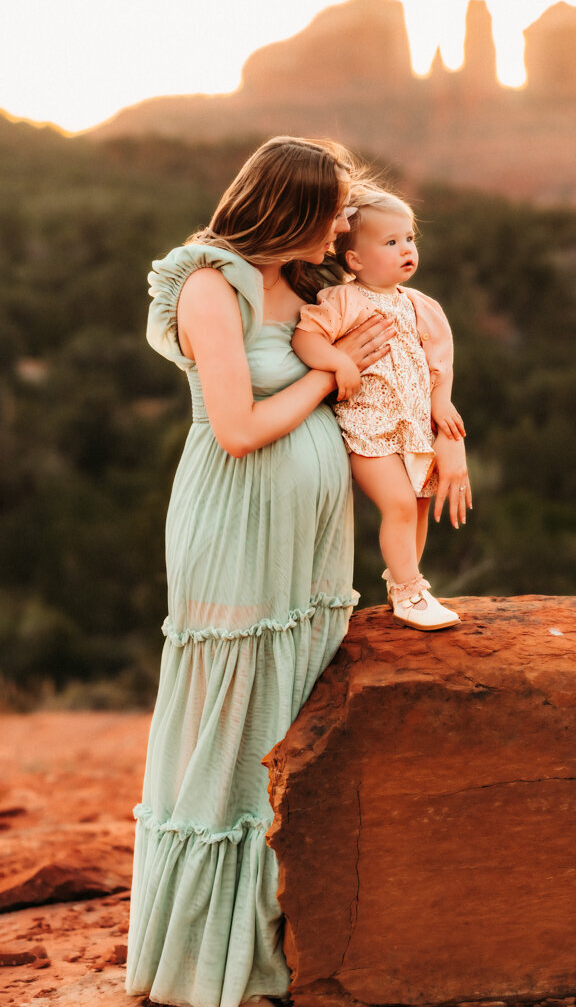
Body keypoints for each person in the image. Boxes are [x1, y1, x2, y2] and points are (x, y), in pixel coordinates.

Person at [125, 137, 401, 1007]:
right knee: (229, 721)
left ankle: (281, 930)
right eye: (331, 215)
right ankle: (211, 960)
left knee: (285, 714)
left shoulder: (310, 285)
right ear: (288, 208)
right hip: (235, 524)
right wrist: (330, 379)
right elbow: (238, 428)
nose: (341, 230)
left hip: (307, 545)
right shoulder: (211, 285)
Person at [292, 182, 472, 631]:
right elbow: (305, 337)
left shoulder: (420, 305)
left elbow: (439, 363)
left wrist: (442, 402)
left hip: (411, 426)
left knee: (416, 500)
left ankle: (405, 583)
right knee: (397, 504)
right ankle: (410, 593)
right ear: (354, 259)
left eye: (409, 239)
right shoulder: (344, 299)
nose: (406, 249)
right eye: (391, 243)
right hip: (367, 428)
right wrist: (337, 361)